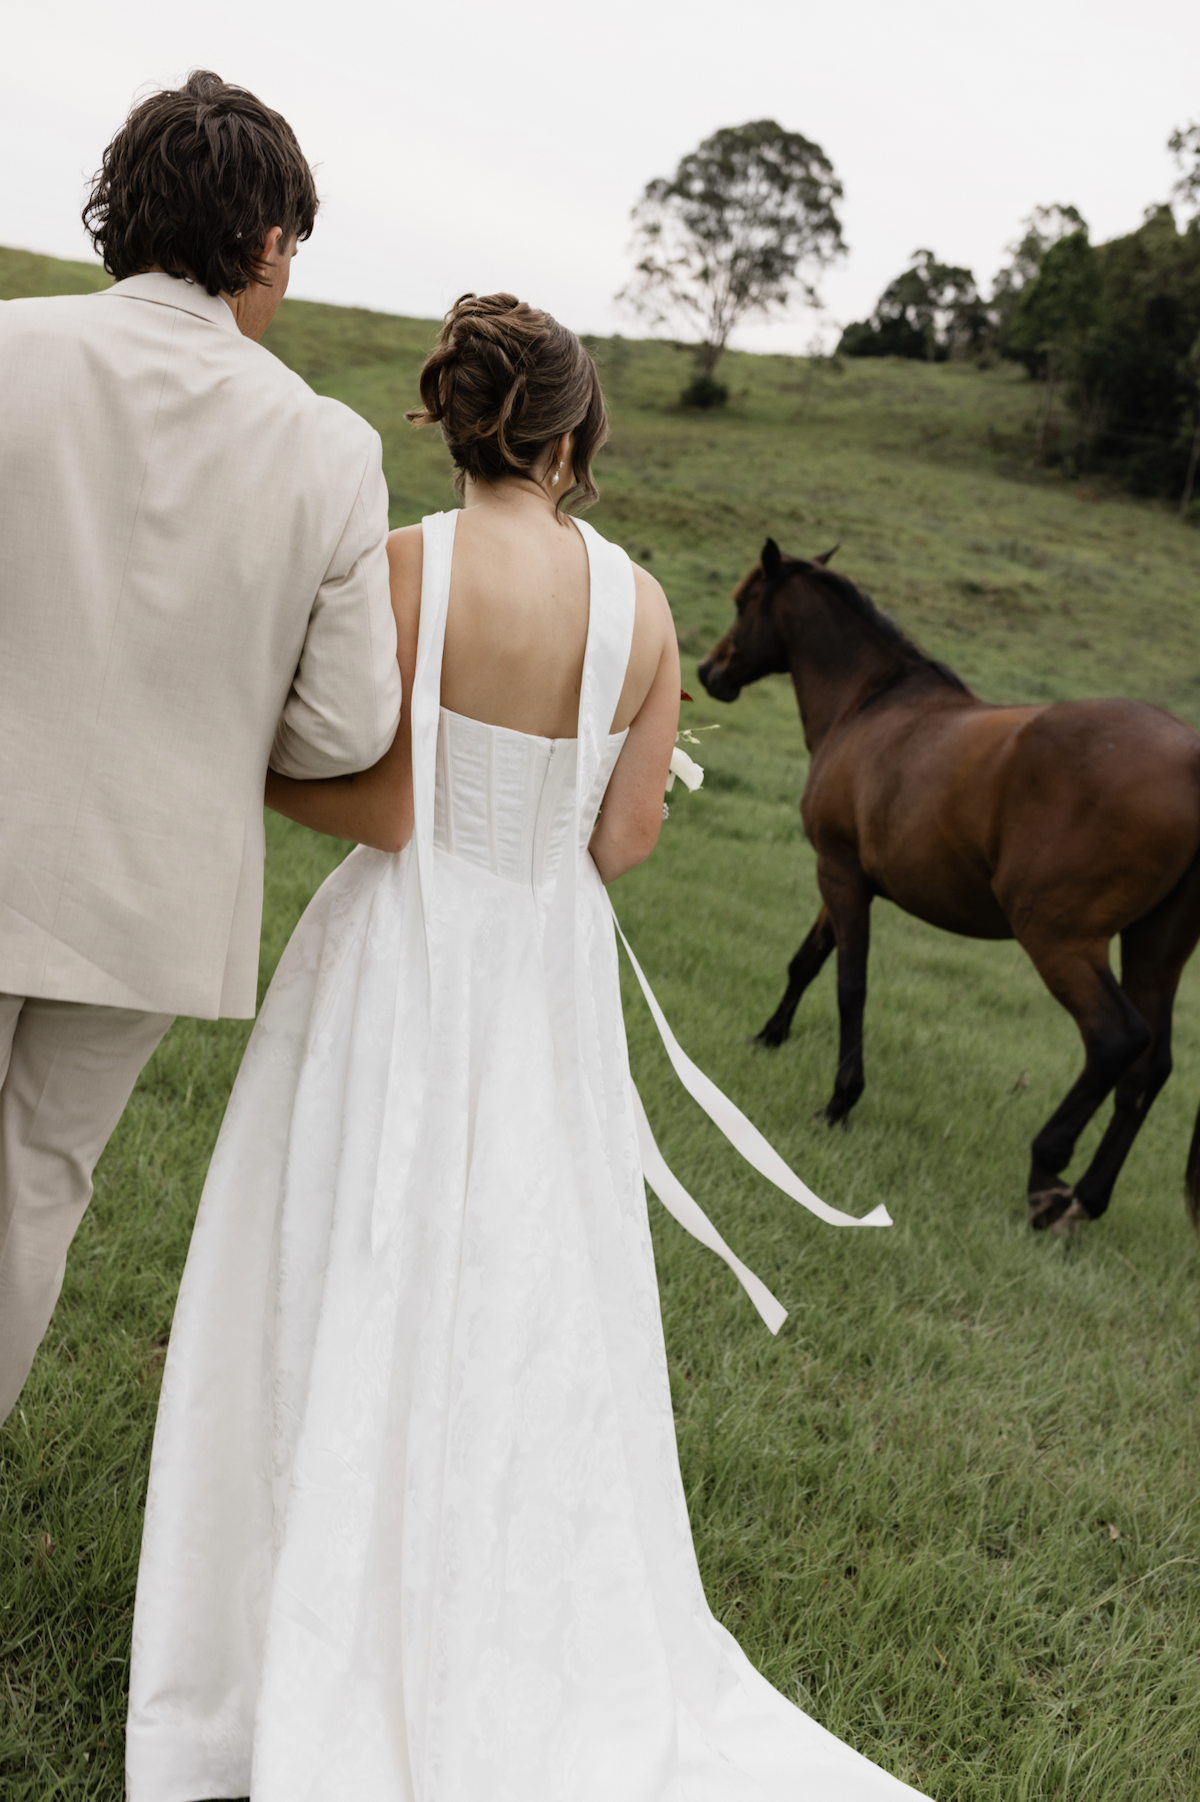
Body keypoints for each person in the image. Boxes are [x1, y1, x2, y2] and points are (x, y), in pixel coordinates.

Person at [126, 294, 922, 1800]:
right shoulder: (646, 611)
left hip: (400, 959)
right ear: (571, 438)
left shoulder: (405, 570)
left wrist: (258, 767)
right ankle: (519, 1604)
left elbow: (367, 788)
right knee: (526, 1277)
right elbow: (623, 842)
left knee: (350, 1257)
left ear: (457, 417)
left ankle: (307, 1611)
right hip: (541, 983)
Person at [0, 71, 401, 1425]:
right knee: (36, 1183)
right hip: (151, 892)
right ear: (270, 242)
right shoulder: (332, 448)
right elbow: (348, 726)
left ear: (123, 212)